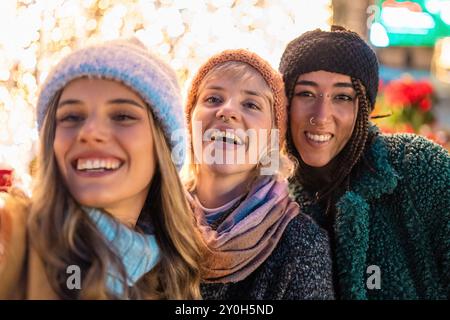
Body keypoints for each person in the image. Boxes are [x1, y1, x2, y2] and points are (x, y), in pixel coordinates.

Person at [0, 39, 204, 299]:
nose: (89, 133)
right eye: (71, 117)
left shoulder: (176, 273)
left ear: (162, 146)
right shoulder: (12, 235)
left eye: (122, 116)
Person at [279, 25, 450, 299]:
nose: (321, 115)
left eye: (342, 97)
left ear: (363, 109)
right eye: (306, 94)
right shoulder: (279, 203)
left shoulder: (417, 166)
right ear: (285, 102)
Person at [184, 49, 334, 299]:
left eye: (251, 104)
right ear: (189, 119)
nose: (227, 111)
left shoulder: (300, 245)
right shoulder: (150, 218)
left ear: (272, 138)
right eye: (213, 99)